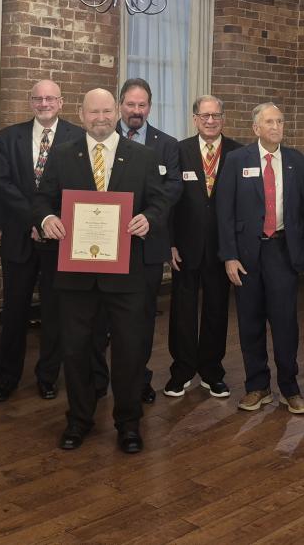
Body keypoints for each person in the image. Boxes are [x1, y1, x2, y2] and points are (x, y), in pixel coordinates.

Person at [33, 88, 168, 454]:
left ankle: (128, 423)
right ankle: (79, 419)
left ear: (117, 113)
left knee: (128, 351)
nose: (101, 118)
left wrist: (148, 219)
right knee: (75, 350)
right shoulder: (62, 155)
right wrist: (46, 218)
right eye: (94, 112)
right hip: (76, 274)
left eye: (108, 111)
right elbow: (43, 198)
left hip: (126, 273)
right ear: (81, 113)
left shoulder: (141, 156)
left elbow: (159, 201)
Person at [0, 79, 84, 402]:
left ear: (61, 102)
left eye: (50, 99)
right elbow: (3, 184)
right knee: (14, 311)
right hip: (20, 236)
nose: (44, 104)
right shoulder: (7, 138)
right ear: (30, 102)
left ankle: (48, 376)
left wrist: (51, 220)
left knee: (54, 312)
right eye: (38, 99)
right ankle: (6, 377)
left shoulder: (78, 137)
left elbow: (81, 186)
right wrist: (37, 219)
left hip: (60, 239)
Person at [216, 102, 304, 414]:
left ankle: (289, 387)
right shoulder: (235, 160)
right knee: (250, 322)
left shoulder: (298, 161)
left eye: (280, 121)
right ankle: (257, 386)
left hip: (282, 252)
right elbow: (224, 212)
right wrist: (229, 255)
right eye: (269, 122)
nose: (275, 127)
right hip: (246, 254)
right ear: (255, 128)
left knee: (285, 323)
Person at [92, 77, 182, 403]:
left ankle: (138, 378)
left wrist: (150, 217)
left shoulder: (167, 145)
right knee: (99, 319)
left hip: (145, 248)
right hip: (102, 246)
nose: (136, 111)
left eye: (142, 105)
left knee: (141, 321)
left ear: (150, 107)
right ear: (120, 105)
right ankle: (98, 379)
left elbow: (173, 188)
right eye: (130, 104)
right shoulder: (100, 138)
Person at [164, 94, 240, 398]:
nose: (211, 121)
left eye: (216, 115)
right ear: (195, 119)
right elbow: (169, 201)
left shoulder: (237, 152)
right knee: (182, 309)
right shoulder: (178, 150)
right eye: (205, 116)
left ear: (223, 118)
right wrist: (169, 243)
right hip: (185, 246)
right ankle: (181, 370)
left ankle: (211, 370)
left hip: (221, 248)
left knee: (217, 309)